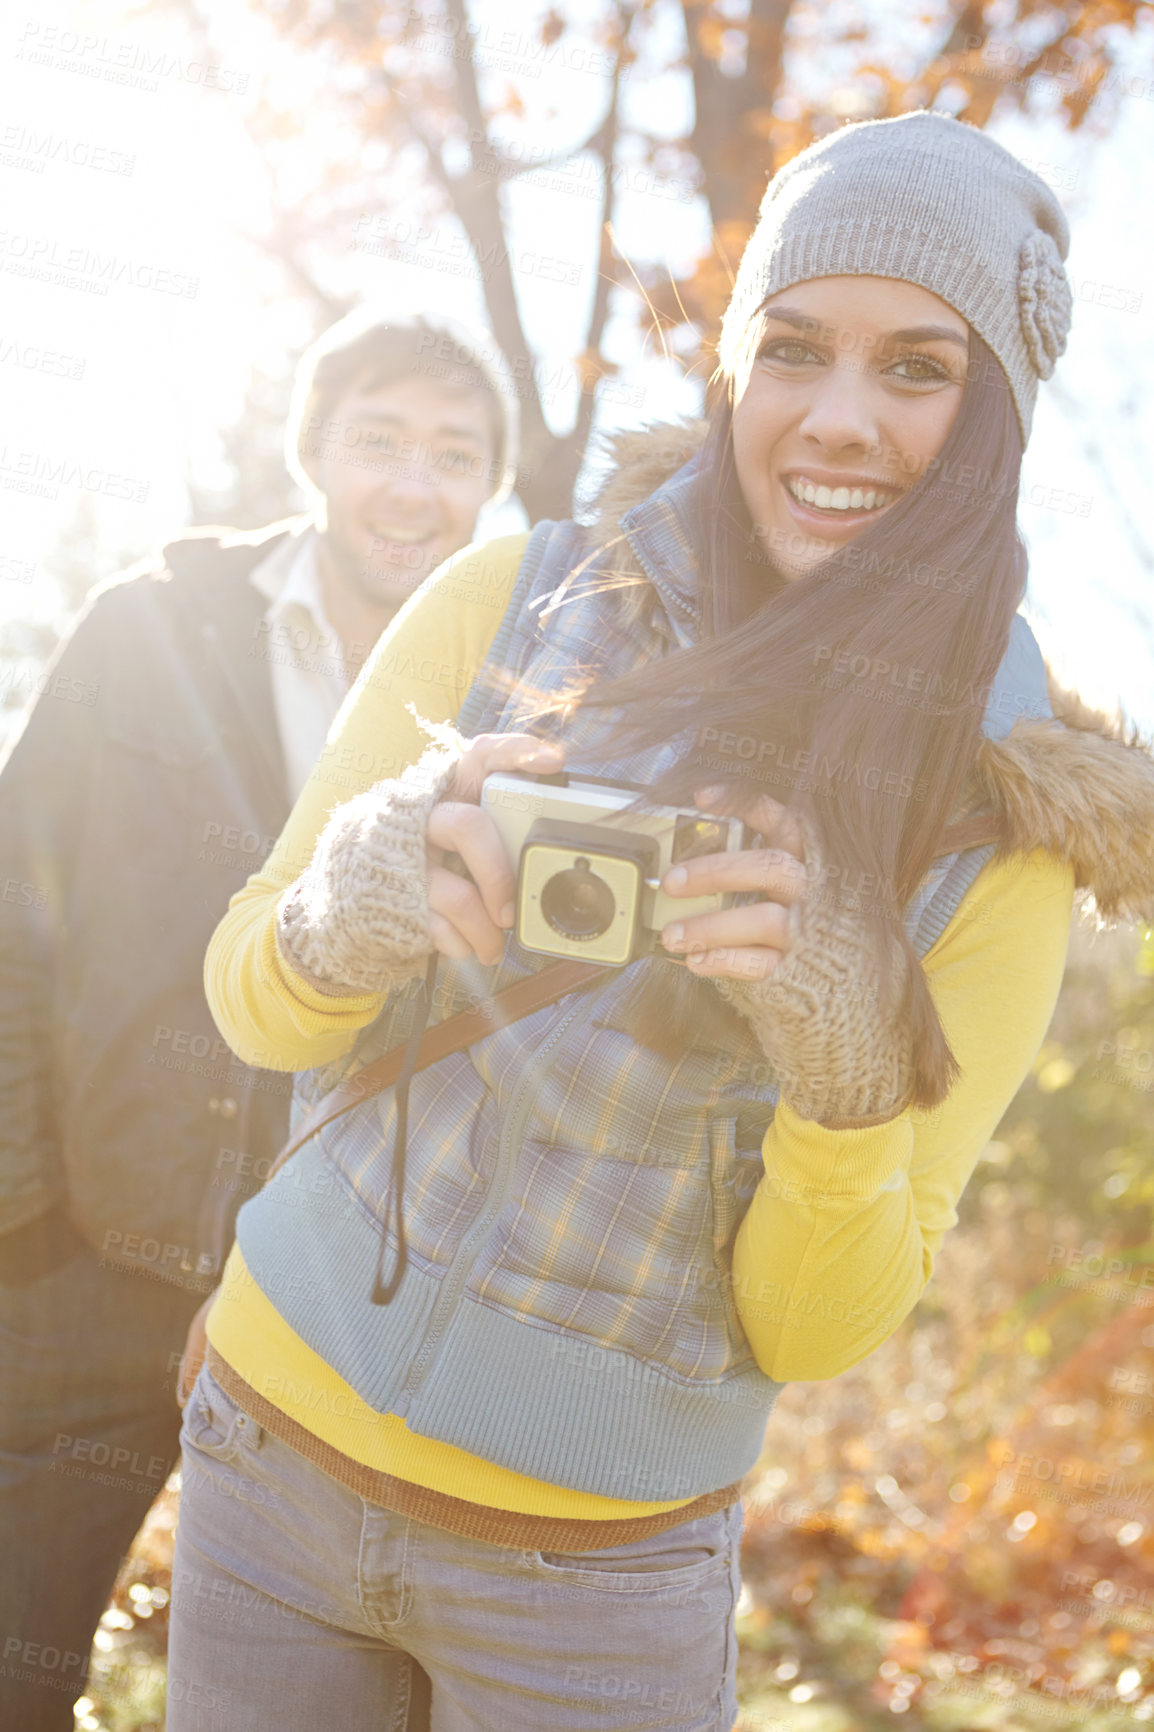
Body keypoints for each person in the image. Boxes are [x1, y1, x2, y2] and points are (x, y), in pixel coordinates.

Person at [176, 114, 1154, 1731]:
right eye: (793, 350)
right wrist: (360, 896)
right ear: (734, 368)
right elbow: (250, 998)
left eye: (917, 370)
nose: (837, 419)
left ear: (993, 418)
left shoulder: (1003, 825)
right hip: (264, 1463)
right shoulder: (514, 597)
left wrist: (847, 1052)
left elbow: (817, 1327)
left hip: (592, 1587)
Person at [0, 309, 517, 1731]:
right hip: (96, 1259)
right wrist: (25, 1219)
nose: (413, 486)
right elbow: (13, 903)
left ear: (488, 487)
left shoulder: (514, 688)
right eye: (380, 443)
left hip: (354, 1299)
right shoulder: (155, 625)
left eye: (453, 454)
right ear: (313, 456)